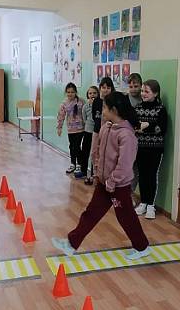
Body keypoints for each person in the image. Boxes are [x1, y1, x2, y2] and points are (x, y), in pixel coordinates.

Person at [52, 92, 152, 261]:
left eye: (105, 107)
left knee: (126, 217)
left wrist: (112, 181)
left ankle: (142, 247)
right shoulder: (106, 127)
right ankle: (71, 243)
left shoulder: (127, 135)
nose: (102, 111)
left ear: (114, 110)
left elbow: (124, 165)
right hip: (104, 183)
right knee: (91, 213)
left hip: (118, 186)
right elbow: (99, 151)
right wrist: (98, 172)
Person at [134, 79, 168, 219]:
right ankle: (143, 202)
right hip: (140, 148)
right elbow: (135, 126)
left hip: (155, 149)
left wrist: (146, 125)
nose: (143, 93)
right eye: (142, 91)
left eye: (147, 91)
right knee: (142, 175)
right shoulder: (137, 108)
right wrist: (146, 126)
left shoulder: (161, 109)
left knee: (152, 176)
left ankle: (151, 205)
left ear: (155, 93)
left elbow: (161, 129)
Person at [56, 82, 85, 177]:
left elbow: (86, 113)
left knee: (77, 146)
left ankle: (79, 164)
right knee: (71, 146)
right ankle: (73, 163)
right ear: (66, 93)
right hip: (70, 129)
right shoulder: (64, 103)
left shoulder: (81, 101)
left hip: (80, 129)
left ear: (75, 92)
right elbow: (61, 116)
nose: (70, 94)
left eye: (72, 92)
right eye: (68, 92)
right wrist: (59, 128)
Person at [90, 77, 115, 175]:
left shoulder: (113, 101)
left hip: (109, 132)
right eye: (103, 87)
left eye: (108, 88)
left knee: (106, 153)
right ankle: (96, 174)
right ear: (100, 88)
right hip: (97, 131)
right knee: (94, 152)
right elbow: (94, 116)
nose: (106, 90)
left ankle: (106, 175)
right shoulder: (96, 101)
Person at [126, 73, 143, 197]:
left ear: (141, 86)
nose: (133, 89)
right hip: (128, 138)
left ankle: (130, 194)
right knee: (127, 167)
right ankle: (124, 194)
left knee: (136, 169)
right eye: (131, 86)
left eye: (136, 86)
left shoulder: (144, 99)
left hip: (140, 139)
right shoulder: (125, 99)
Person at [81, 86, 99, 185]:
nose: (92, 95)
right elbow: (84, 118)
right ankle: (83, 171)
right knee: (85, 152)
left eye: (94, 93)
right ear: (87, 95)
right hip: (87, 131)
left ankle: (93, 174)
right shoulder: (85, 106)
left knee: (94, 153)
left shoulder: (100, 105)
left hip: (96, 132)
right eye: (90, 93)